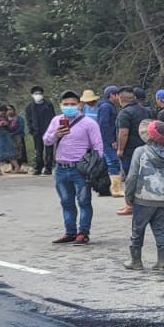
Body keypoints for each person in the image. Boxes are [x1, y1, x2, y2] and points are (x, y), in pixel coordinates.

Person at [46, 90, 103, 243]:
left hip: (80, 169)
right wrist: (55, 134)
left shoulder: (89, 123)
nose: (69, 107)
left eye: (72, 104)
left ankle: (83, 232)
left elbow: (98, 147)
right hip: (61, 168)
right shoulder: (56, 121)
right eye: (66, 104)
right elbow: (46, 140)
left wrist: (94, 168)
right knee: (66, 201)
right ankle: (70, 232)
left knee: (84, 201)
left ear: (79, 105)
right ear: (60, 105)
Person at [124, 120, 164, 271]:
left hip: (143, 199)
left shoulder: (140, 152)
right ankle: (162, 261)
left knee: (138, 230)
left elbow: (132, 176)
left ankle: (136, 261)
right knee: (161, 230)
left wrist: (128, 195)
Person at [25, 85, 55, 175]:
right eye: (36, 93)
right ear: (32, 95)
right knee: (38, 151)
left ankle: (48, 168)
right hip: (37, 132)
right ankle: (38, 167)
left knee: (49, 150)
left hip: (48, 131)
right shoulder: (29, 107)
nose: (38, 95)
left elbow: (53, 117)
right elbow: (28, 120)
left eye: (40, 93)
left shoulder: (48, 105)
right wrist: (32, 130)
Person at [94, 85, 121, 179]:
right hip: (106, 140)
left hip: (107, 139)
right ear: (112, 95)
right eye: (118, 95)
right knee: (113, 162)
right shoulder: (106, 107)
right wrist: (111, 140)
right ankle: (115, 185)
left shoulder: (110, 106)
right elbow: (103, 125)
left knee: (105, 162)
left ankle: (103, 182)